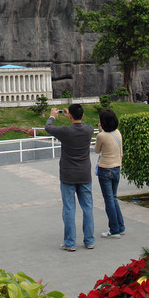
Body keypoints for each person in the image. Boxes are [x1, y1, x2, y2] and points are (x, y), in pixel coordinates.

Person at [45, 103, 95, 251]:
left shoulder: (66, 131)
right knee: (88, 208)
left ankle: (70, 242)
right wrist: (74, 117)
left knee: (69, 208)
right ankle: (89, 240)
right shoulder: (89, 130)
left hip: (68, 175)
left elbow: (48, 128)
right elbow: (82, 124)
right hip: (84, 174)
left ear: (70, 116)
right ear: (83, 115)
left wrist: (52, 116)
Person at [94, 109, 125, 238]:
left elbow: (96, 150)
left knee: (109, 200)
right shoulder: (118, 133)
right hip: (116, 167)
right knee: (113, 198)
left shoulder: (101, 136)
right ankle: (120, 226)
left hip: (105, 169)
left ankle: (114, 230)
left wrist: (101, 132)